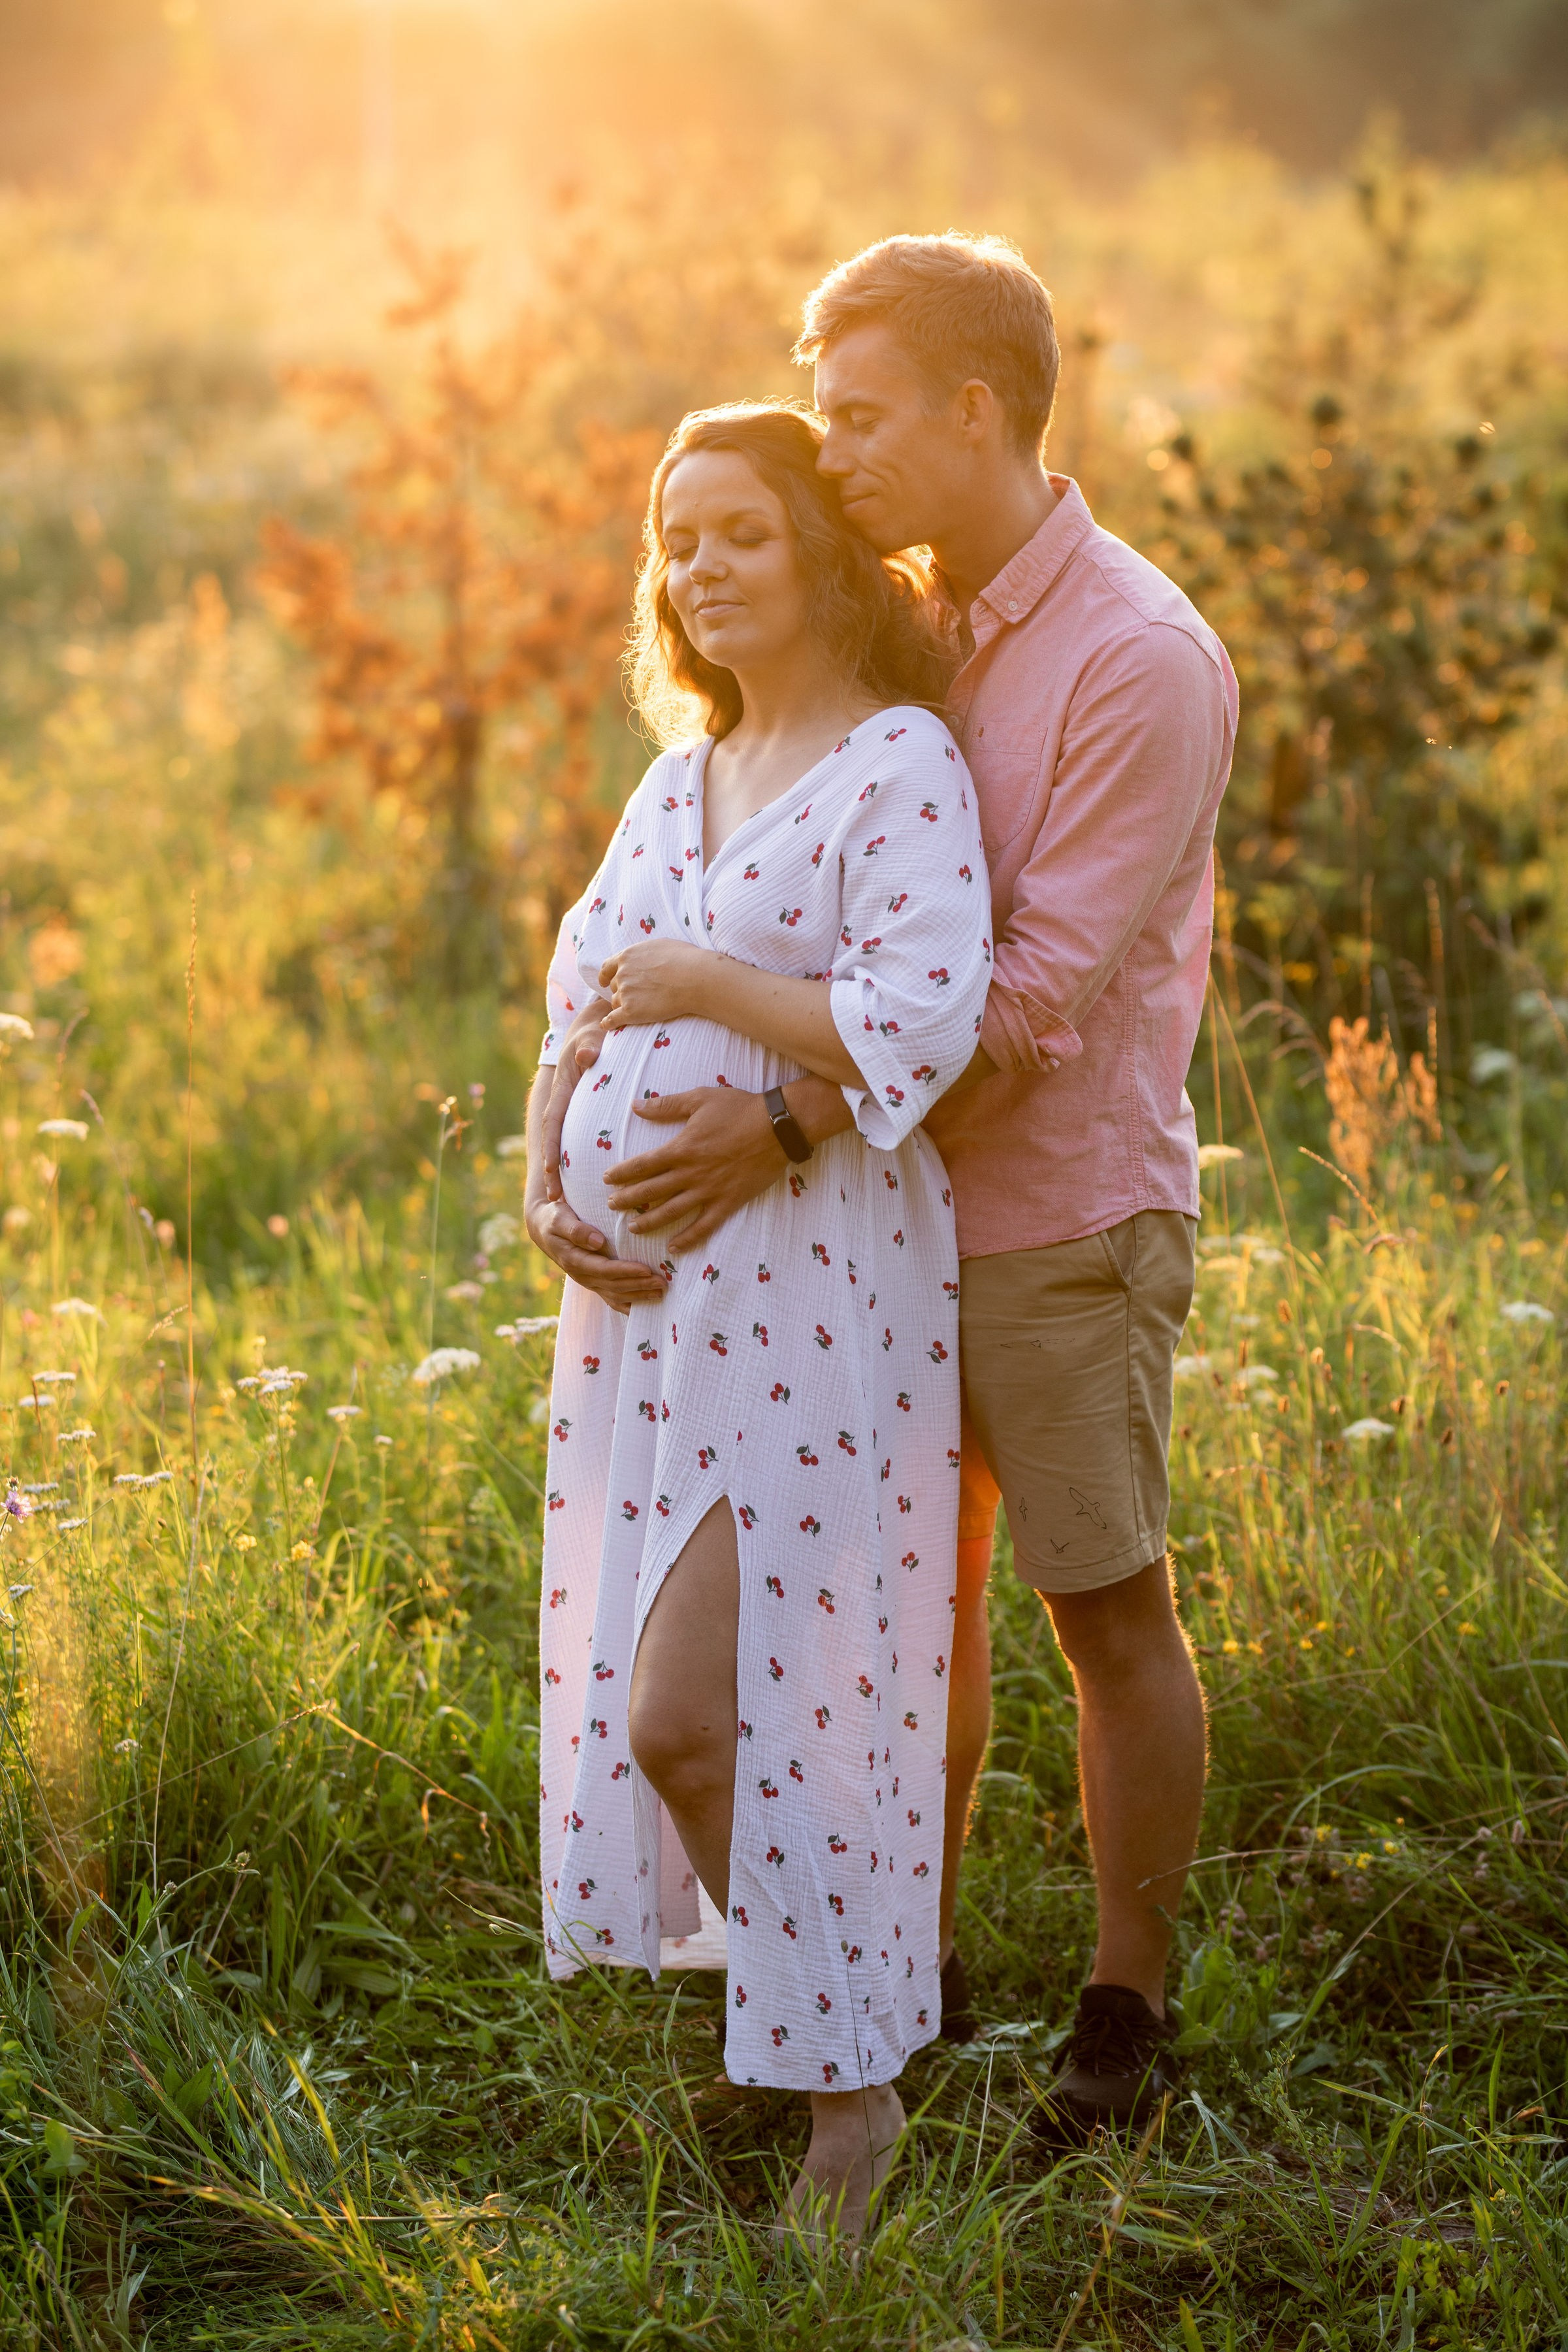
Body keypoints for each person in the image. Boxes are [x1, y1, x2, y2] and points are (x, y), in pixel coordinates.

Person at [542, 236, 1238, 2144]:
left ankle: (1125, 2009)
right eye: (819, 412)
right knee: (887, 1628)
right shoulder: (918, 623)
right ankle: (879, 1986)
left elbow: (1012, 1005)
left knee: (1104, 1616)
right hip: (864, 1239)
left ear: (975, 413)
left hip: (1055, 1220)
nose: (833, 452)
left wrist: (770, 1127)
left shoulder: (1139, 660)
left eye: (857, 417)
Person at [524, 400, 992, 2235]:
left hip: (818, 1293)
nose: (700, 569)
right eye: (674, 537)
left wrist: (719, 980)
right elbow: (579, 1000)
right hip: (650, 1319)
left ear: (820, 554)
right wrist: (548, 1179)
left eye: (737, 532)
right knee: (696, 1715)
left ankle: (852, 2100)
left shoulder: (897, 766)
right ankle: (821, 2031)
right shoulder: (677, 777)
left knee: (710, 1715)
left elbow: (925, 1009)